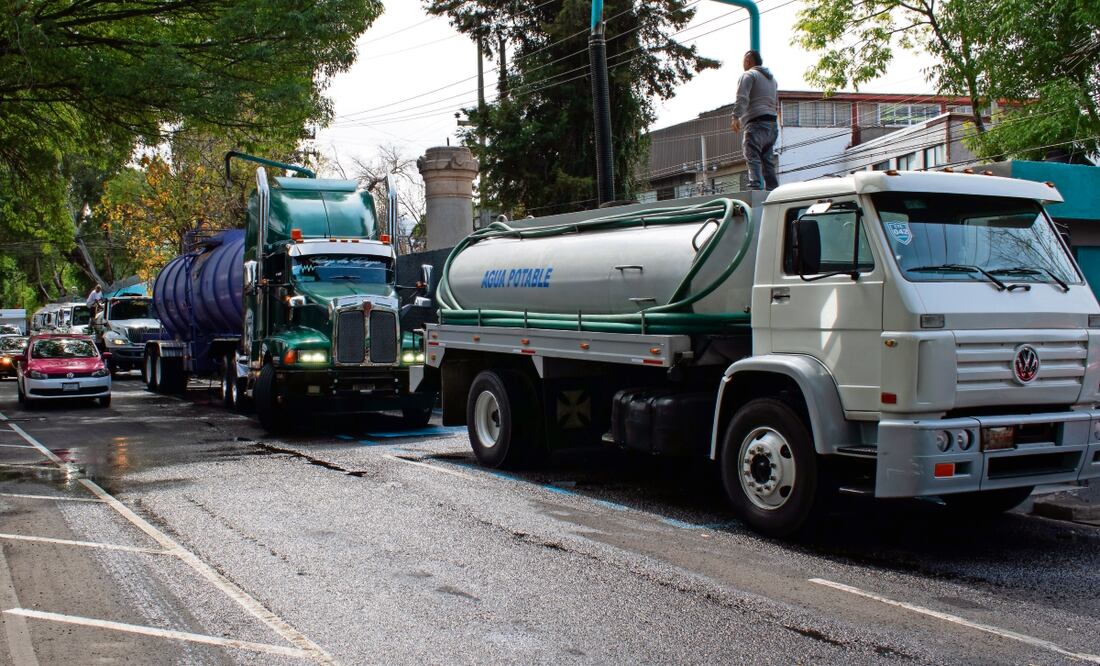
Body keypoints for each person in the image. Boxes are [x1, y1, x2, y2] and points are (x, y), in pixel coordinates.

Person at [730, 50, 779, 191]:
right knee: (767, 160)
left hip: (756, 123)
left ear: (748, 61)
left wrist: (735, 116)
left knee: (752, 155)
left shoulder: (749, 75)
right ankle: (772, 190)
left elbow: (742, 98)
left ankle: (755, 187)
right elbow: (775, 101)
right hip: (772, 124)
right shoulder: (772, 80)